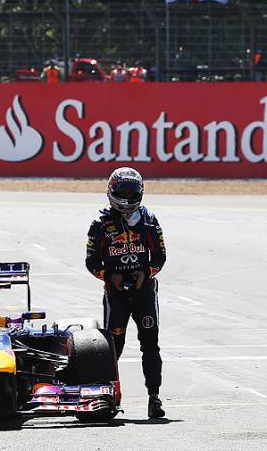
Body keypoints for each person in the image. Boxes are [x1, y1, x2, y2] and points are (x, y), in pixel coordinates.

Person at [85, 167, 167, 418]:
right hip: (115, 294)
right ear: (111, 192)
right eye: (122, 192)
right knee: (113, 347)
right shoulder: (100, 224)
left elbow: (160, 256)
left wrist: (147, 274)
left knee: (150, 345)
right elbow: (91, 261)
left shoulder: (150, 220)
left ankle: (154, 398)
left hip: (144, 293)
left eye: (132, 193)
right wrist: (110, 277)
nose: (127, 198)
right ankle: (109, 395)